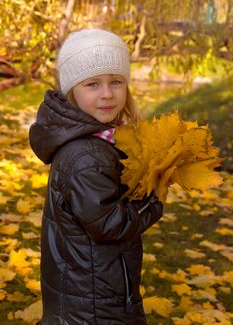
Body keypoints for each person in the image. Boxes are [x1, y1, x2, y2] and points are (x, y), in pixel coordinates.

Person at [29, 28, 163, 325]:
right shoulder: (87, 156)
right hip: (94, 303)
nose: (107, 93)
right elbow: (110, 225)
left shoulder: (99, 139)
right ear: (72, 90)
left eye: (116, 81)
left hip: (87, 288)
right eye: (92, 84)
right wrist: (154, 196)